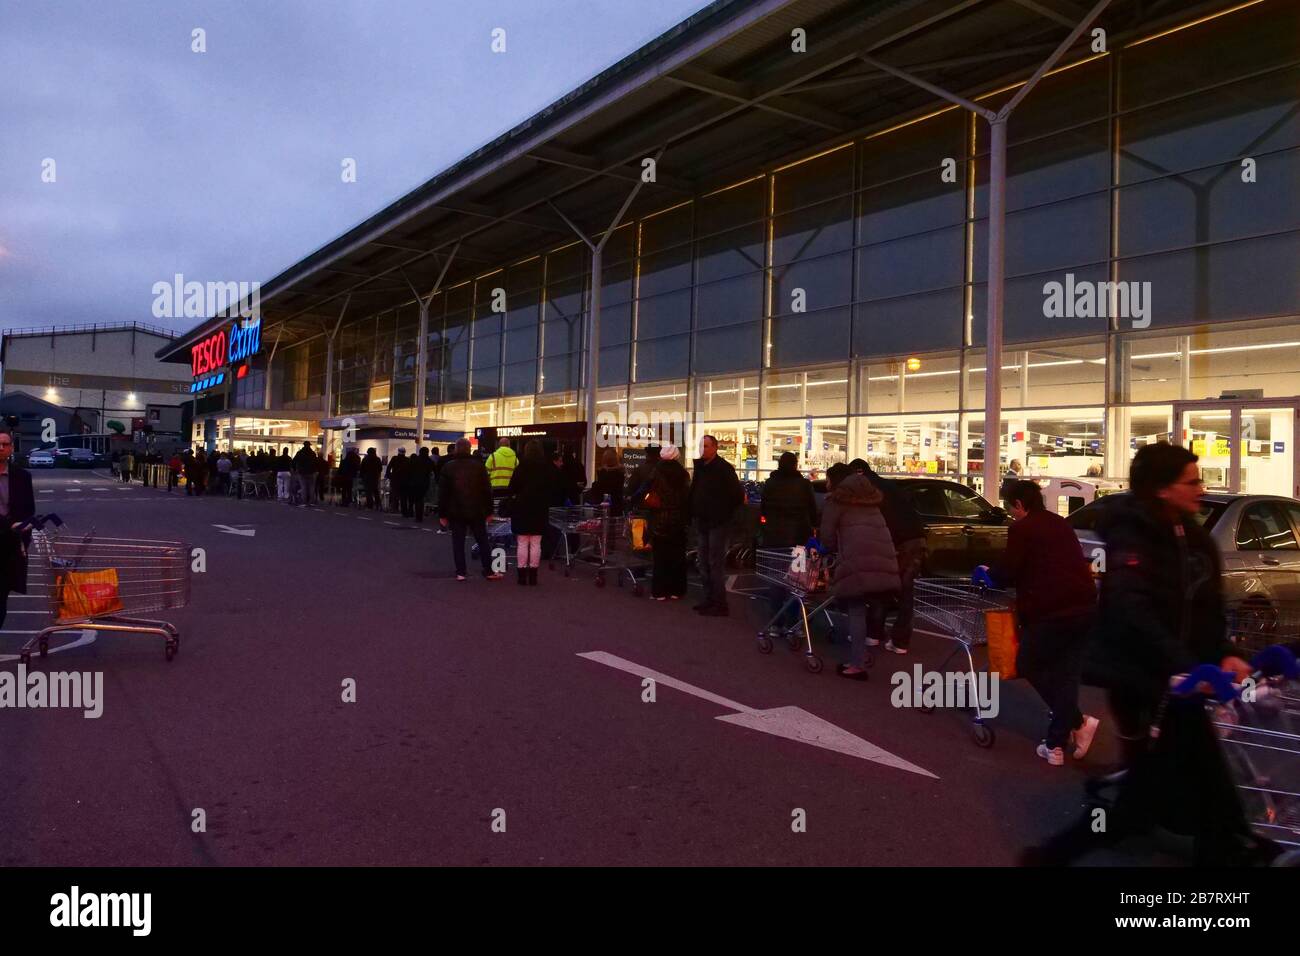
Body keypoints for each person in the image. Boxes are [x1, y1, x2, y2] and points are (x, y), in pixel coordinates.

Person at [1025, 443, 1267, 866]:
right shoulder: (1134, 537)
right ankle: (1059, 852)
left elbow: (1206, 610)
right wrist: (1188, 665)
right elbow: (1131, 610)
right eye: (1190, 482)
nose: (1200, 488)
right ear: (1161, 489)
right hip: (1144, 681)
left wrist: (1224, 653)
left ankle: (1067, 849)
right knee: (1195, 784)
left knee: (1187, 785)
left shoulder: (1193, 538)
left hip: (1186, 684)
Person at [981, 479, 1099, 766]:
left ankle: (1076, 722)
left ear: (1020, 505)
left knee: (1029, 664)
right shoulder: (1059, 523)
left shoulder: (1022, 528)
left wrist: (987, 573)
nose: (1010, 514)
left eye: (1010, 509)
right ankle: (1056, 745)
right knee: (1067, 672)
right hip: (1083, 606)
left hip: (1049, 610)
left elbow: (1008, 571)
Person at [820, 471, 900, 681]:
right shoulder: (872, 505)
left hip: (856, 562)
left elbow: (826, 537)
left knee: (855, 610)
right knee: (865, 608)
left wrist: (825, 551)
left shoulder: (836, 502)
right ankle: (860, 655)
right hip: (882, 562)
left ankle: (856, 665)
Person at [850, 458, 926, 655]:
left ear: (858, 473)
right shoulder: (890, 486)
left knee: (879, 586)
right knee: (906, 592)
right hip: (916, 540)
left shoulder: (868, 490)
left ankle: (873, 634)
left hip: (894, 542)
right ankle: (900, 642)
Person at [761, 452, 818, 628]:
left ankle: (775, 623)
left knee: (777, 581)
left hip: (774, 538)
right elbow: (812, 510)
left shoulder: (770, 484)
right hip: (799, 539)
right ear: (795, 465)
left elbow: (763, 510)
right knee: (796, 582)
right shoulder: (804, 485)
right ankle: (793, 623)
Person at [688, 434, 743, 617]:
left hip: (718, 523)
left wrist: (722, 513)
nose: (703, 449)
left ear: (715, 447)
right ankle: (709, 598)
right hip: (703, 521)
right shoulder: (701, 468)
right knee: (703, 562)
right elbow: (695, 491)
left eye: (706, 446)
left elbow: (736, 495)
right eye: (701, 446)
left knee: (714, 562)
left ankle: (719, 602)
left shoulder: (724, 469)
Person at [438, 438, 503, 582]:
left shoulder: (448, 467)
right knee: (482, 540)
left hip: (456, 511)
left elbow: (443, 493)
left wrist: (442, 514)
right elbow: (487, 490)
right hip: (477, 510)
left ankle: (461, 572)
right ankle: (488, 570)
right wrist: (489, 511)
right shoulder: (479, 466)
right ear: (469, 449)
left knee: (458, 542)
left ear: (456, 449)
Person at [643, 444, 690, 601]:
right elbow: (687, 496)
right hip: (678, 518)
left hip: (660, 517)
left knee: (661, 556)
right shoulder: (683, 474)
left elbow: (645, 489)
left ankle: (659, 591)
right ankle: (677, 590)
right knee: (677, 556)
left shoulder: (656, 471)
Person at [0, 432, 35, 633]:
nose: (1, 448)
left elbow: (29, 510)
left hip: (9, 545)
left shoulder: (22, 477)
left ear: (11, 448)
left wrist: (23, 533)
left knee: (1, 596)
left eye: (5, 444)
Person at [505, 440, 553, 585]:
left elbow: (512, 488)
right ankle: (533, 575)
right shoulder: (546, 468)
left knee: (522, 542)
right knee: (536, 543)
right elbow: (551, 488)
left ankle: (521, 575)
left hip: (522, 507)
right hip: (540, 508)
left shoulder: (520, 467)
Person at [406, 447, 434, 523]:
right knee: (420, 499)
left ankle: (415, 515)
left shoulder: (414, 460)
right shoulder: (429, 461)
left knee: (415, 499)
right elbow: (433, 471)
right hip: (424, 483)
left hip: (414, 482)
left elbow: (408, 471)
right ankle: (419, 515)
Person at [292, 442, 318, 506]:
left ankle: (304, 502)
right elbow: (315, 463)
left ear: (304, 445)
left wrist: (295, 469)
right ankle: (311, 502)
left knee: (303, 487)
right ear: (309, 446)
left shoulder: (300, 453)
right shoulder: (312, 453)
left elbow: (294, 461)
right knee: (311, 487)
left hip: (302, 472)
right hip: (311, 472)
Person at [386, 448, 409, 515]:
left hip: (395, 480)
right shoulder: (407, 460)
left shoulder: (394, 458)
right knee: (403, 496)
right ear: (405, 452)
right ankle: (403, 510)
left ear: (398, 452)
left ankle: (394, 508)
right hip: (404, 480)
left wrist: (389, 476)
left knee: (394, 494)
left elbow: (389, 467)